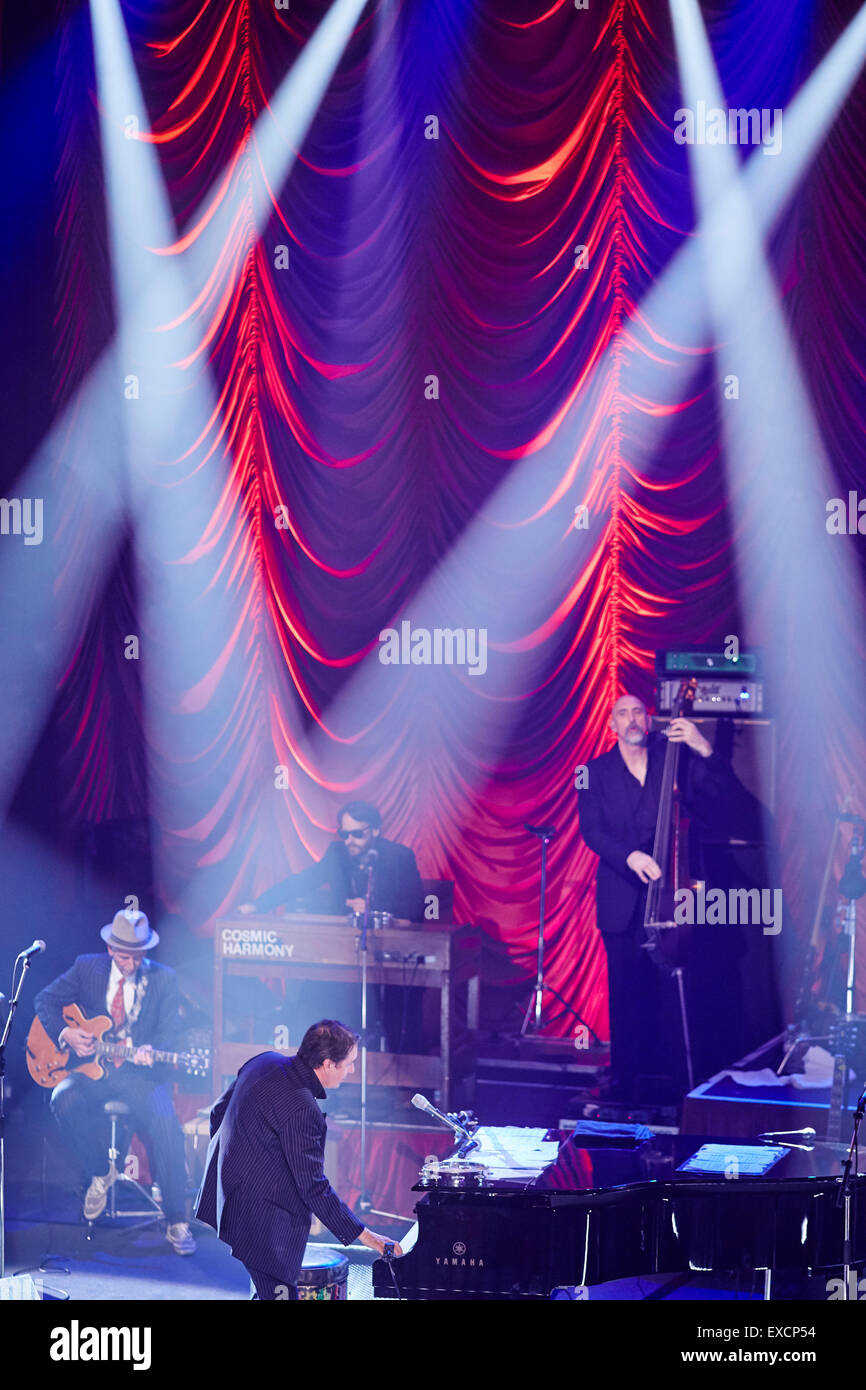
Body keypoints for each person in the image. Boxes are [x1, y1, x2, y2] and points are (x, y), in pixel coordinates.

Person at [578, 694, 745, 1102]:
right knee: (625, 992)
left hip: (673, 898)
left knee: (676, 991)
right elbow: (592, 830)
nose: (632, 718)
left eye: (638, 711)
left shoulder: (676, 759)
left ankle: (679, 1080)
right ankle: (625, 1079)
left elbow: (725, 797)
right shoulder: (592, 772)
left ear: (648, 719)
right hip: (621, 899)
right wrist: (629, 855)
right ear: (612, 724)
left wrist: (704, 747)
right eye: (623, 713)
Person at [195, 1019, 401, 1299]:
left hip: (229, 1194)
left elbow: (218, 1112)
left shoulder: (265, 1061)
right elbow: (314, 1187)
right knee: (279, 1293)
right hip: (261, 1218)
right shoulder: (303, 1108)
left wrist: (234, 1162)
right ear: (328, 1064)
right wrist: (369, 1237)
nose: (352, 1070)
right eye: (349, 1063)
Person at [33, 907, 196, 1254]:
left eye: (138, 956)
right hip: (94, 1071)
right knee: (62, 1097)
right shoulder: (86, 968)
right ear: (110, 950)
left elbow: (173, 1035)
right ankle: (99, 1172)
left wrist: (155, 1050)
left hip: (139, 1076)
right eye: (125, 956)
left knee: (166, 1125)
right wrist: (66, 1034)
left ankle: (177, 1221)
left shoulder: (164, 980)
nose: (132, 964)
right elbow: (44, 1001)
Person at [237, 801, 425, 922]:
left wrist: (375, 908)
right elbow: (301, 882)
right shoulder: (337, 854)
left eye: (357, 834)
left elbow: (415, 908)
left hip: (386, 946)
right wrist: (258, 905)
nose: (349, 841)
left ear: (375, 830)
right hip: (340, 943)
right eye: (344, 834)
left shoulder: (400, 857)